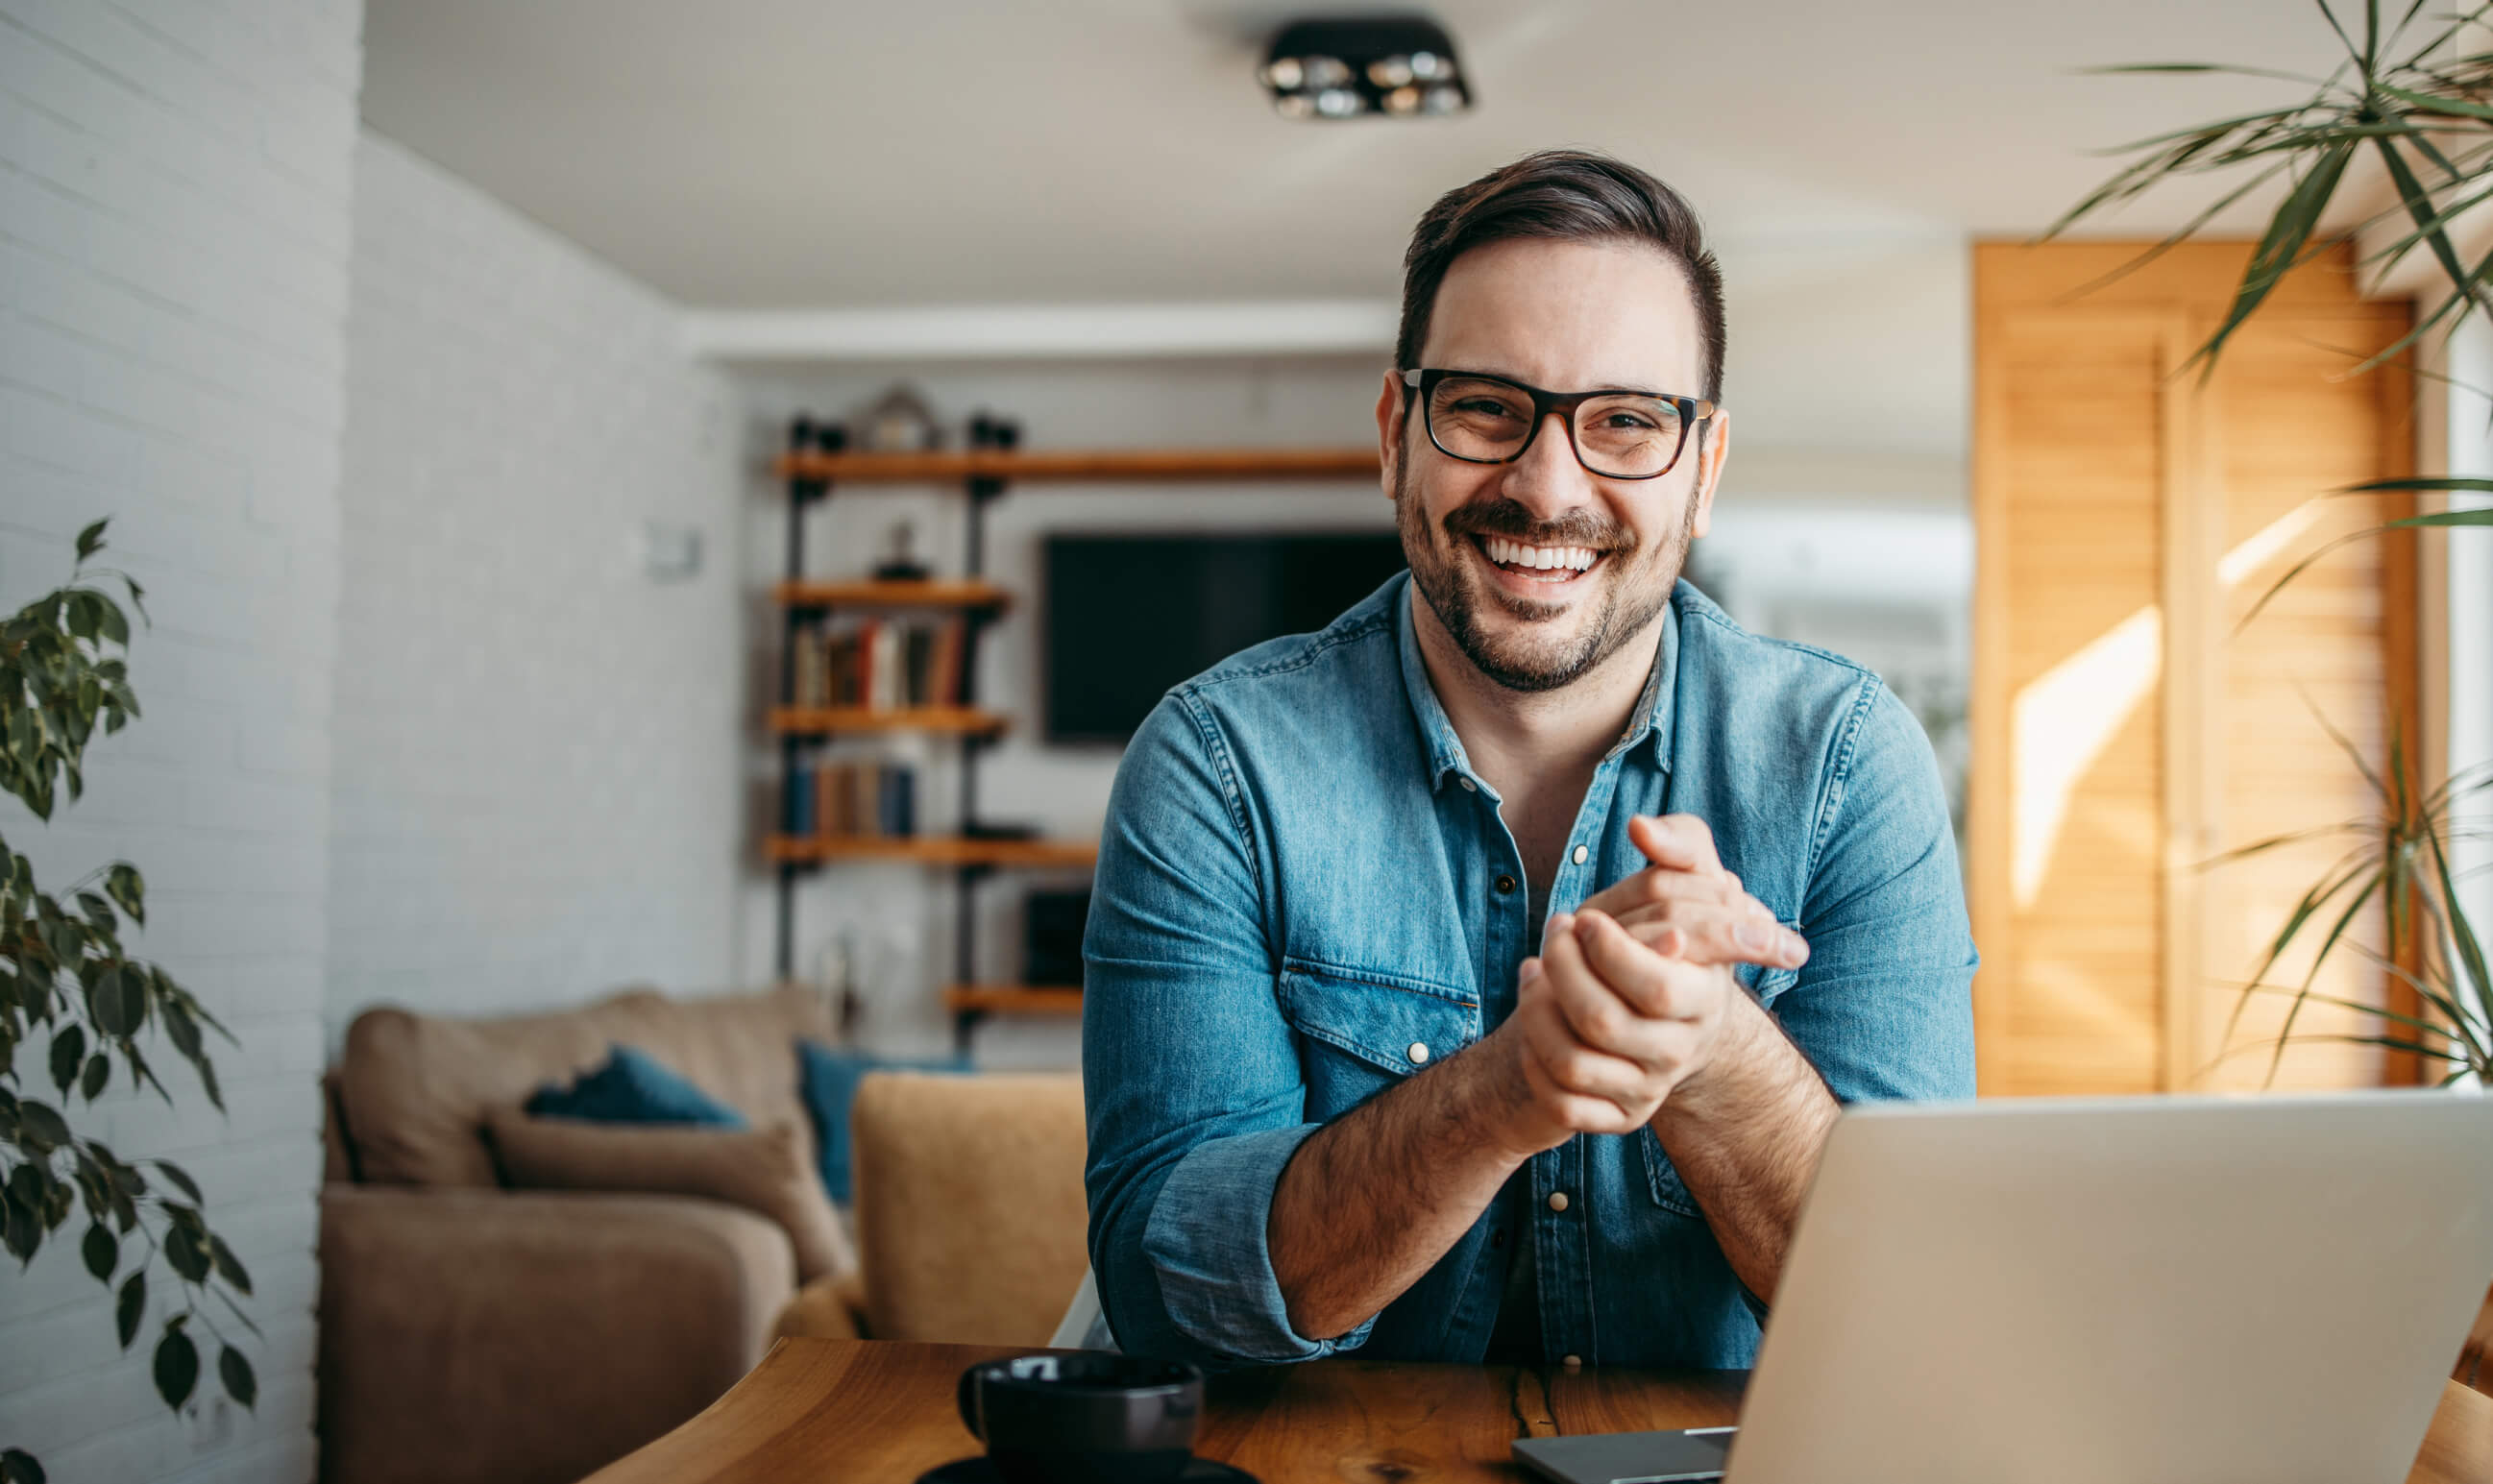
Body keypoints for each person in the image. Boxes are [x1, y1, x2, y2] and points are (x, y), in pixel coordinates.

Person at [1080, 149, 1974, 1370]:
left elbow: (1915, 1319)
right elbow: (1170, 1300)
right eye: (1488, 407)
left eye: (1625, 422)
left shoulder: (1848, 766)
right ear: (1399, 433)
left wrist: (1713, 1050)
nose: (1548, 488)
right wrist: (1507, 1090)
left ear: (1702, 470)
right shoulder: (1216, 765)